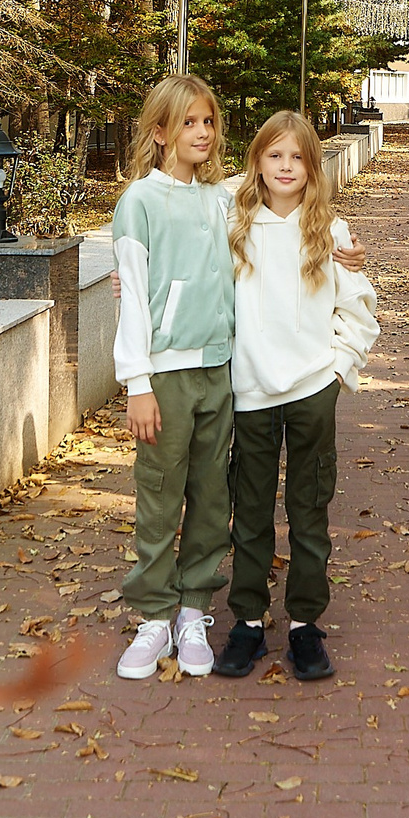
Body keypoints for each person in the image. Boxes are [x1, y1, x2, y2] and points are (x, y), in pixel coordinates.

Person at [213, 112, 379, 683]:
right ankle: (249, 621)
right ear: (257, 161)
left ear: (313, 167)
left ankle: (306, 624)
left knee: (309, 510)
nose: (286, 167)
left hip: (312, 389)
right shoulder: (234, 224)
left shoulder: (330, 230)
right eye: (274, 155)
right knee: (251, 510)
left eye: (297, 157)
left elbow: (356, 307)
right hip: (251, 392)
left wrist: (337, 370)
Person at [111, 74, 239, 679]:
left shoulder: (222, 200)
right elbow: (133, 296)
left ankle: (193, 610)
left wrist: (343, 248)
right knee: (160, 499)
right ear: (160, 132)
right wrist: (137, 382)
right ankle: (155, 616)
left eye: (208, 122)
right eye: (188, 122)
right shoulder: (139, 201)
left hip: (221, 370)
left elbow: (290, 221)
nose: (202, 133)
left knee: (213, 498)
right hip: (164, 378)